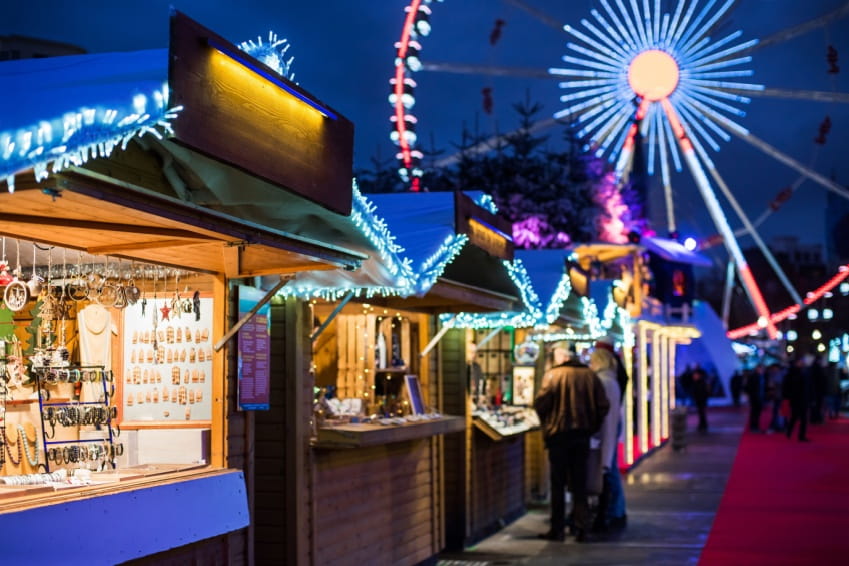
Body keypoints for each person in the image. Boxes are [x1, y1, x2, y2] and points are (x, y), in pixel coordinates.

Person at [534, 343, 610, 542]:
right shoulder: (590, 376)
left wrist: (548, 424)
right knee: (580, 483)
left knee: (557, 483)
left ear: (562, 356)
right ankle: (581, 527)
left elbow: (541, 404)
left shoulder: (553, 375)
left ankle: (557, 528)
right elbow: (603, 405)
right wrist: (591, 426)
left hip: (558, 435)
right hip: (581, 436)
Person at [592, 335, 628, 530]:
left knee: (609, 467)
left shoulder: (606, 380)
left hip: (608, 424)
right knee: (611, 466)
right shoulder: (615, 374)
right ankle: (617, 509)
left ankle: (615, 509)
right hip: (613, 422)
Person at [588, 347, 621, 533]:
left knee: (605, 474)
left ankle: (605, 514)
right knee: (609, 470)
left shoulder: (602, 381)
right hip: (609, 430)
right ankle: (612, 511)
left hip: (601, 433)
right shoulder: (611, 380)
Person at [783, 355, 811, 442]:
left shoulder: (801, 372)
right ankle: (798, 435)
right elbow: (790, 387)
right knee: (799, 418)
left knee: (796, 417)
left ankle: (791, 433)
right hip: (797, 399)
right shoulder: (794, 373)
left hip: (800, 399)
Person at [745, 364, 767, 433]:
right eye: (761, 368)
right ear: (757, 369)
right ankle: (753, 427)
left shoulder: (761, 377)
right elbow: (749, 387)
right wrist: (752, 396)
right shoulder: (754, 377)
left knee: (757, 413)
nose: (762, 370)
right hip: (755, 398)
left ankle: (755, 426)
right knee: (755, 413)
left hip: (759, 397)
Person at [691, 367, 710, 432]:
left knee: (701, 413)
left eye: (695, 375)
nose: (694, 376)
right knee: (701, 413)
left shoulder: (701, 383)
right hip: (699, 400)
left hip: (701, 400)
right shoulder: (696, 383)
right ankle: (702, 424)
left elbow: (704, 392)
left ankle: (703, 425)